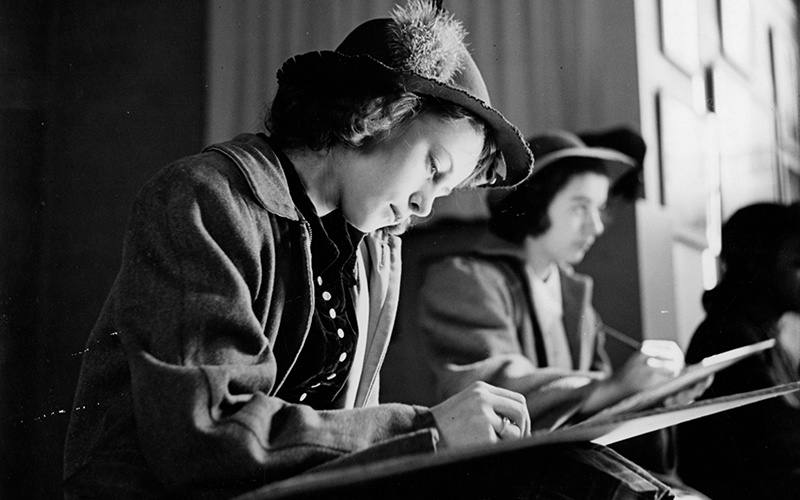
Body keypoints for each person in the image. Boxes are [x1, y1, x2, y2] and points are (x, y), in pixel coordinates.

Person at [62, 2, 675, 498]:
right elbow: (208, 437)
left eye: (449, 186)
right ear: (371, 117)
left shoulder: (374, 247)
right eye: (432, 167)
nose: (427, 206)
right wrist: (428, 429)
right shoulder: (206, 199)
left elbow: (351, 427)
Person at [418, 129, 686, 428]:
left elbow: (599, 406)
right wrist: (613, 385)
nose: (596, 226)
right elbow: (496, 390)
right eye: (580, 207)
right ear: (536, 202)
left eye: (598, 209)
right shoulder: (465, 280)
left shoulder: (574, 294)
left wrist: (655, 391)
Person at [677, 202, 800, 500]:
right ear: (759, 264)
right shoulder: (729, 338)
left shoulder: (762, 333)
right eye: (798, 263)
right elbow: (781, 448)